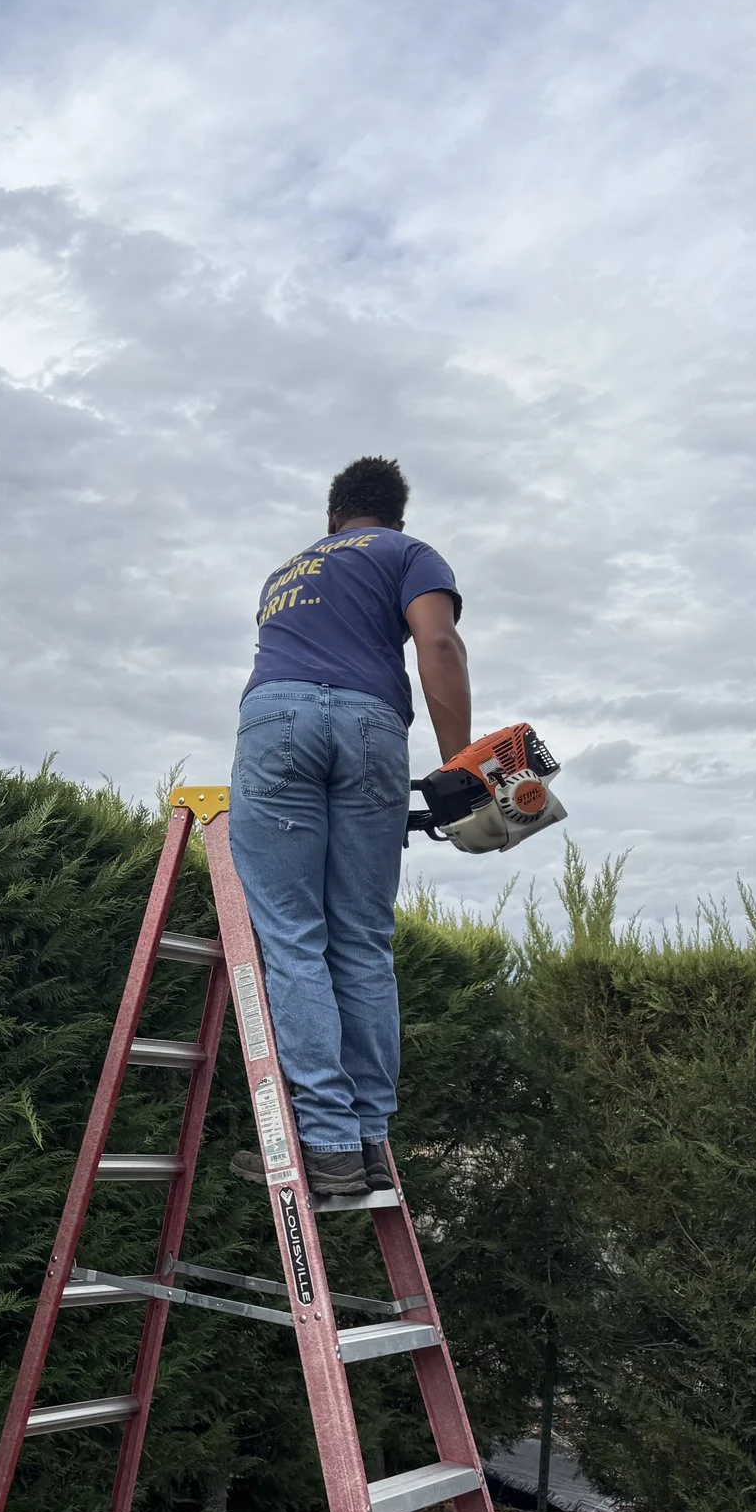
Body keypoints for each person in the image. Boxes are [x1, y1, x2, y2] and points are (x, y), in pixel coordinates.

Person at [229, 455, 471, 1201]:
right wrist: (459, 765)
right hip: (371, 724)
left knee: (294, 933)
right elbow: (437, 642)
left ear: (333, 515)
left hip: (275, 719)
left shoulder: (283, 575)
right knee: (362, 936)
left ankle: (327, 1141)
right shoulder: (408, 553)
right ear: (395, 516)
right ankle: (365, 1137)